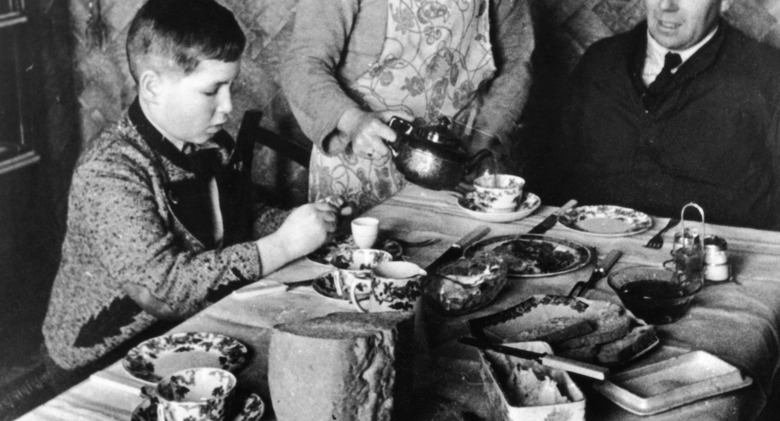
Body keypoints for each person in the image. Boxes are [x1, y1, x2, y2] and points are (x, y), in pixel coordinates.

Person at [42, 0, 343, 373]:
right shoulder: (109, 170)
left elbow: (245, 217)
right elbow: (163, 292)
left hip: (185, 331)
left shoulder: (209, 142)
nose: (227, 107)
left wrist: (300, 222)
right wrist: (284, 244)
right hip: (101, 361)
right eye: (211, 91)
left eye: (230, 87)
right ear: (152, 87)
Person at [281, 0, 534, 213]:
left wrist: (483, 140)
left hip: (455, 161)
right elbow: (303, 65)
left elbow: (516, 63)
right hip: (361, 160)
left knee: (459, 264)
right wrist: (354, 121)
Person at [558, 0, 780, 229]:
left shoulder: (769, 77)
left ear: (725, 3)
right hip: (593, 249)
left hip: (714, 257)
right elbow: (555, 180)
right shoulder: (599, 62)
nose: (666, 5)